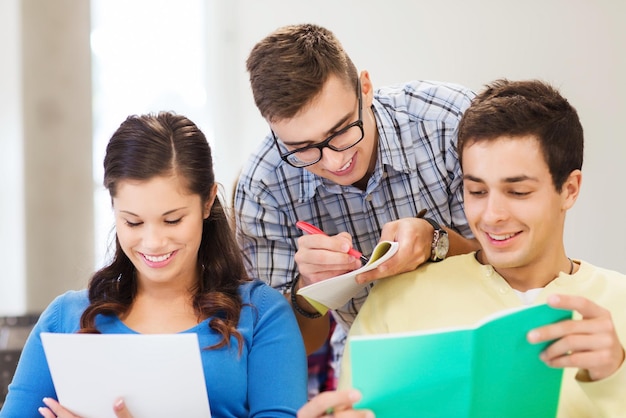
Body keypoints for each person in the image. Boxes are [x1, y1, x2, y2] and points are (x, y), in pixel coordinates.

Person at [333, 79, 626, 416]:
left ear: (569, 189)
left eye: (518, 192)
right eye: (477, 191)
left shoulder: (618, 303)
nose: (492, 216)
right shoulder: (395, 299)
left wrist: (615, 376)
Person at [0, 112, 307, 417]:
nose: (153, 242)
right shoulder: (65, 319)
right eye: (133, 222)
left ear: (208, 201)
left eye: (172, 220)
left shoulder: (261, 314)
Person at [234, 23, 480, 385]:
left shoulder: (450, 122)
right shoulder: (264, 188)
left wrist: (436, 242)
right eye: (302, 149)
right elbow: (291, 344)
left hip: (479, 340)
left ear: (365, 88)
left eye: (342, 130)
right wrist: (310, 291)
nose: (335, 162)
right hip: (370, 372)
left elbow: (518, 268)